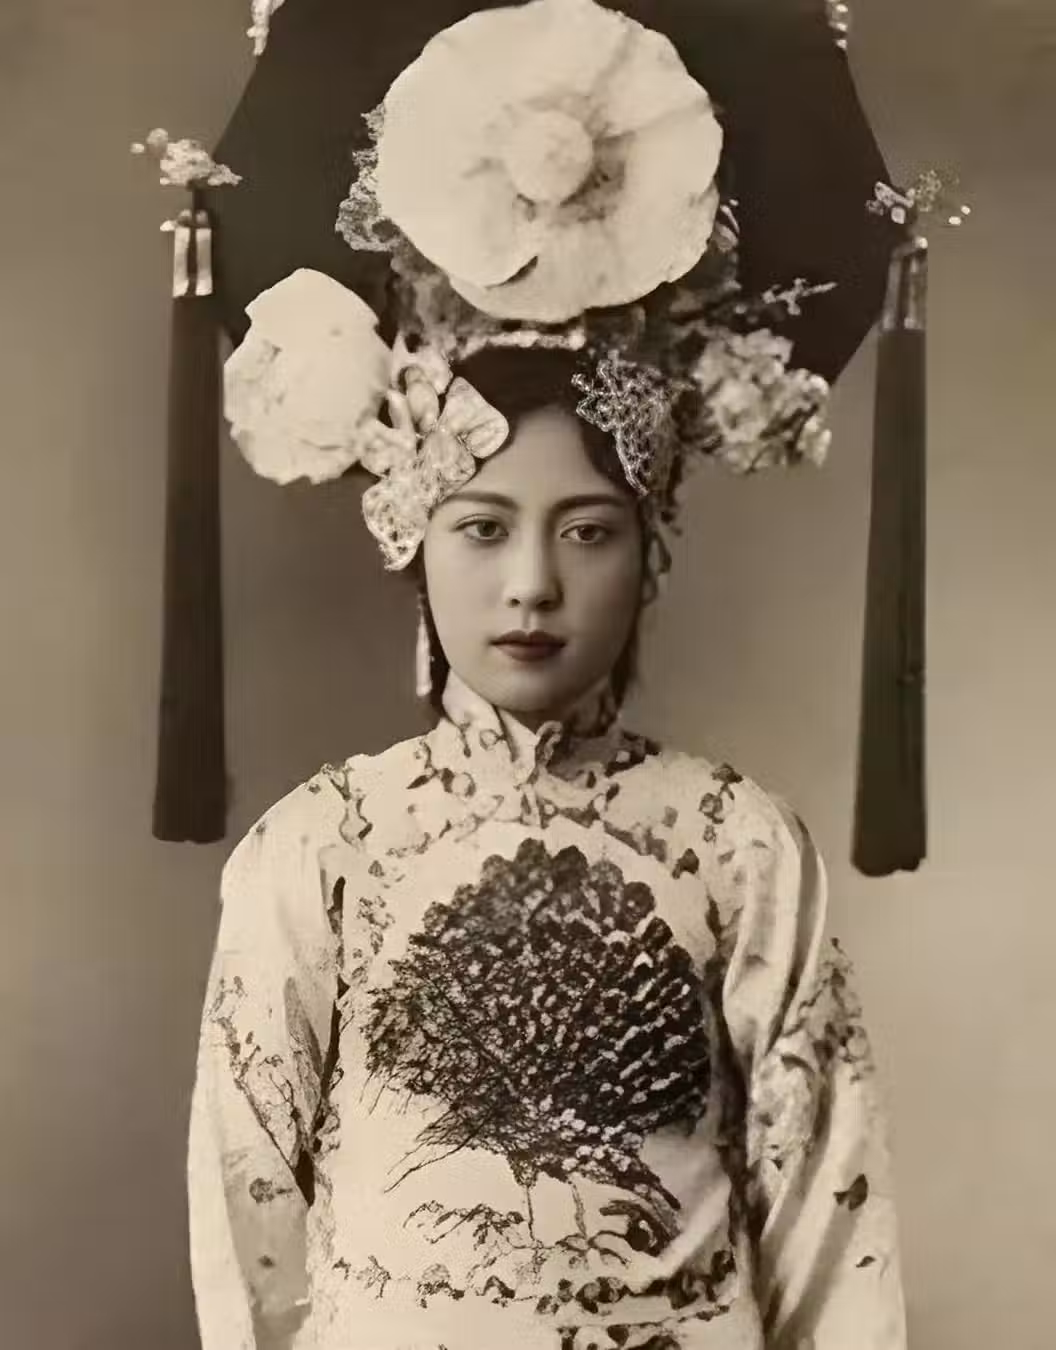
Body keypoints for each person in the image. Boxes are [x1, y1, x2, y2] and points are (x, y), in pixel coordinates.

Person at [170, 3, 910, 1347]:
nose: (531, 584)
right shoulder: (324, 847)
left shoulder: (738, 845)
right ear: (413, 538)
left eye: (587, 531)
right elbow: (248, 1207)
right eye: (482, 528)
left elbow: (825, 1214)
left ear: (650, 551)